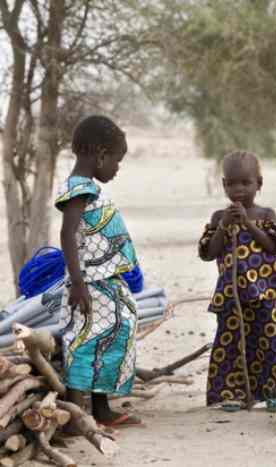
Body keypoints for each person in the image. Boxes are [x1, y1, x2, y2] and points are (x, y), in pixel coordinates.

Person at [56, 115, 141, 427]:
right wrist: (77, 282)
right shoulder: (78, 188)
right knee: (87, 341)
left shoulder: (87, 186)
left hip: (104, 280)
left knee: (116, 330)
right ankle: (76, 417)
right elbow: (67, 234)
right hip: (89, 282)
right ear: (101, 154)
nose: (117, 168)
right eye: (117, 161)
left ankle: (102, 408)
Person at [199, 151, 276, 413]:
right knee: (229, 342)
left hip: (263, 291)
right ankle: (231, 394)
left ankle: (270, 392)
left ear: (259, 184)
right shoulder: (220, 217)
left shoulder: (266, 213)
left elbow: (275, 247)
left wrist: (249, 224)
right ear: (224, 185)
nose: (238, 189)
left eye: (245, 183)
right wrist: (224, 226)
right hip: (231, 293)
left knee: (267, 340)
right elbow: (209, 252)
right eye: (231, 183)